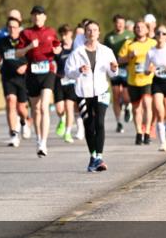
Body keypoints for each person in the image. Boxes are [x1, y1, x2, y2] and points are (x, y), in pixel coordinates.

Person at [65, 20, 119, 172]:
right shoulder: (78, 52)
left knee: (100, 123)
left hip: (101, 91)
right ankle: (93, 156)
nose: (92, 33)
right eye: (89, 30)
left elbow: (113, 73)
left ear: (99, 33)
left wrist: (114, 69)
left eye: (95, 30)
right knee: (89, 125)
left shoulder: (106, 51)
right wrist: (79, 70)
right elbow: (68, 72)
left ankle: (99, 157)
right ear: (85, 33)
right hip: (83, 93)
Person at [16, 6, 62, 157]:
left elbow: (58, 46)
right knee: (35, 109)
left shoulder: (51, 32)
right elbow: (17, 53)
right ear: (32, 17)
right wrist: (29, 46)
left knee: (44, 107)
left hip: (48, 71)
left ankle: (44, 142)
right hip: (32, 73)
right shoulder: (26, 33)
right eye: (35, 15)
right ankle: (38, 139)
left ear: (45, 17)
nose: (37, 17)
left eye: (40, 15)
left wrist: (57, 51)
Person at [0, 16, 31, 147]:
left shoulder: (25, 41)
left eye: (14, 27)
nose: (12, 29)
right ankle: (13, 134)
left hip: (22, 78)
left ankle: (25, 121)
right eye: (9, 27)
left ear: (19, 28)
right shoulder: (2, 42)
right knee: (11, 102)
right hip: (8, 76)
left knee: (21, 108)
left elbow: (33, 57)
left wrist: (26, 66)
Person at [118, 21, 155, 145]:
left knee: (147, 104)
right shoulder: (129, 43)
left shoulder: (153, 43)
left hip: (148, 79)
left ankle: (148, 131)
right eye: (137, 27)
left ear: (147, 30)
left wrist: (152, 68)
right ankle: (139, 132)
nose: (139, 29)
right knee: (136, 109)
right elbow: (119, 59)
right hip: (133, 80)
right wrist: (129, 56)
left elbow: (159, 58)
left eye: (142, 27)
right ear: (134, 30)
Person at [104, 14, 134, 133]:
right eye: (117, 23)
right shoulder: (109, 37)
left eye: (121, 22)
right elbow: (104, 53)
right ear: (114, 23)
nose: (119, 25)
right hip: (114, 68)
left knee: (126, 96)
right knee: (116, 95)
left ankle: (128, 106)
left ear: (124, 23)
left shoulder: (130, 35)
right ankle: (119, 122)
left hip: (127, 68)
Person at [53, 25, 79, 143]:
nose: (64, 37)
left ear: (71, 34)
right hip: (59, 79)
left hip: (72, 81)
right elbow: (52, 60)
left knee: (69, 107)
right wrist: (55, 53)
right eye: (62, 34)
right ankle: (62, 119)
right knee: (59, 109)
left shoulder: (76, 47)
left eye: (66, 34)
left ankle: (68, 133)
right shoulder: (58, 47)